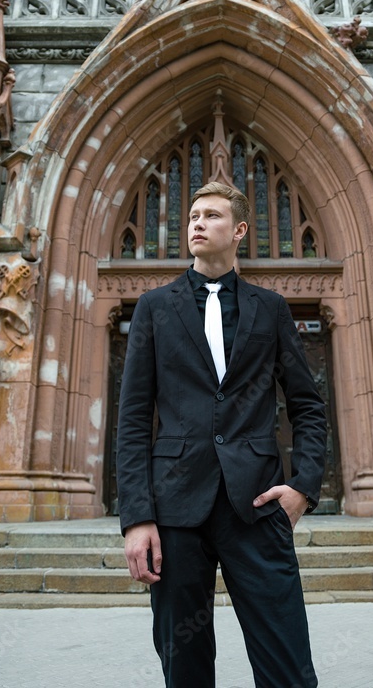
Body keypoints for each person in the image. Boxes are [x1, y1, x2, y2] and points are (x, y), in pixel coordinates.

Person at [117, 181, 327, 688]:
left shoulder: (270, 308)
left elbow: (307, 405)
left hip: (255, 507)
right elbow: (133, 417)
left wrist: (304, 487)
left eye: (210, 215)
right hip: (174, 512)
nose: (196, 223)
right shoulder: (154, 307)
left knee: (288, 663)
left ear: (238, 231)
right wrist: (137, 517)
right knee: (184, 668)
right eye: (192, 215)